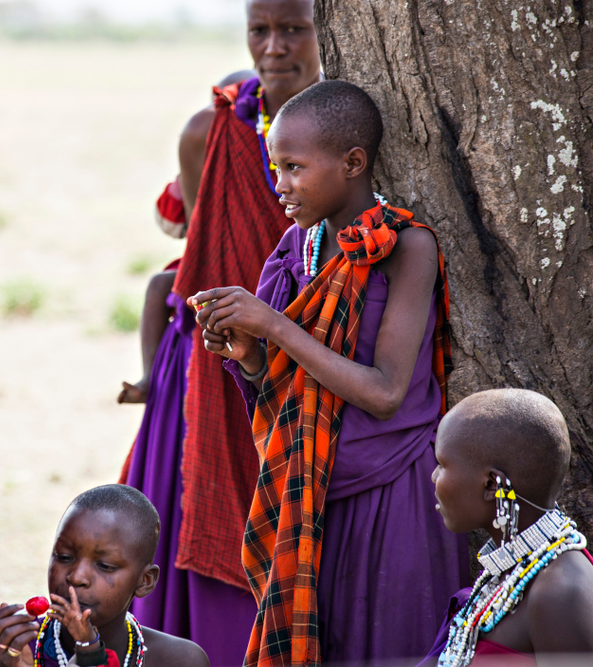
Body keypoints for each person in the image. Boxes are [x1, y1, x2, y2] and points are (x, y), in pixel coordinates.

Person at [191, 80, 467, 665]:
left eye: (293, 167)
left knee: (389, 647)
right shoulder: (298, 247)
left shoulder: (403, 247)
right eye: (275, 168)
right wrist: (246, 350)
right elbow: (282, 379)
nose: (280, 186)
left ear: (353, 163)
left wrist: (276, 326)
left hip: (392, 494)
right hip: (311, 493)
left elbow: (388, 392)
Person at [119, 3, 322, 663]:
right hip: (209, 363)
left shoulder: (357, 124)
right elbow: (186, 235)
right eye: (259, 30)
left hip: (312, 360)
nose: (274, 47)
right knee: (206, 523)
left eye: (294, 29)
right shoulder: (214, 129)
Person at [420, 388, 593, 665]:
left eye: (442, 464)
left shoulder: (560, 591)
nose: (433, 476)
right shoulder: (507, 573)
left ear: (491, 484)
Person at [118, 69, 255, 406]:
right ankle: (148, 378)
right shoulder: (197, 162)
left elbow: (168, 221)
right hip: (202, 262)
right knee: (161, 284)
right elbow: (170, 220)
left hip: (243, 263)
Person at [0, 485, 210, 667]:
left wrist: (90, 654)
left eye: (104, 565)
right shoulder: (10, 648)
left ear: (144, 581)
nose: (77, 577)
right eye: (64, 557)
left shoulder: (178, 660)